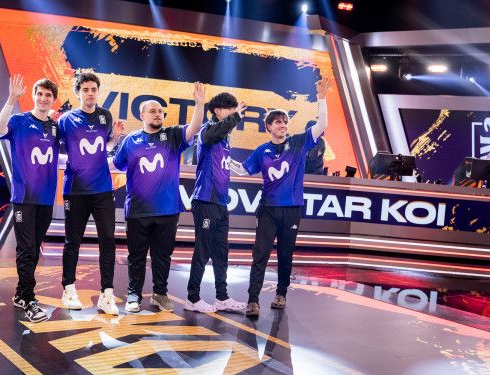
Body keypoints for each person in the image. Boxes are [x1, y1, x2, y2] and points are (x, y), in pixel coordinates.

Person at [230, 78, 331, 317]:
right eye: (278, 122)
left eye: (285, 122)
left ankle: (281, 294)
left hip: (292, 209)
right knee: (260, 255)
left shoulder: (298, 143)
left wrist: (322, 98)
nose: (283, 125)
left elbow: (322, 124)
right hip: (268, 209)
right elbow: (243, 170)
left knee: (285, 255)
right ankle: (253, 300)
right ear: (269, 127)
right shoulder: (261, 151)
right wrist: (225, 158)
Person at [112, 82, 205, 313]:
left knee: (163, 255)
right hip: (138, 209)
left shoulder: (172, 135)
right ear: (142, 115)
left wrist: (199, 104)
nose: (158, 114)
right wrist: (112, 140)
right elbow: (117, 164)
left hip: (167, 209)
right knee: (136, 256)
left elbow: (194, 128)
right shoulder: (131, 140)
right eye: (152, 111)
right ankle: (133, 295)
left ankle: (160, 294)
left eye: (161, 111)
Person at [58, 72, 124, 314]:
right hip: (75, 190)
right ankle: (68, 289)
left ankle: (107, 294)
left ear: (98, 91)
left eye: (93, 89)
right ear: (78, 93)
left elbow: (103, 148)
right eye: (85, 89)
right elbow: (56, 148)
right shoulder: (66, 120)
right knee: (72, 241)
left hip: (103, 189)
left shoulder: (106, 116)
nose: (90, 93)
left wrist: (116, 138)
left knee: (108, 240)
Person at [0, 74, 60, 323]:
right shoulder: (19, 120)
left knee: (34, 248)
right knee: (26, 249)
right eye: (40, 94)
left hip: (46, 197)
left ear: (53, 99)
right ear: (33, 96)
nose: (43, 98)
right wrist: (12, 98)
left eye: (48, 95)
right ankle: (29, 299)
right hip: (24, 197)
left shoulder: (55, 127)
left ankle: (21, 295)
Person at [185, 92, 247, 313]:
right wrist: (236, 116)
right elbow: (214, 134)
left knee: (221, 251)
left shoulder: (225, 138)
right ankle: (192, 298)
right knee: (203, 250)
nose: (234, 113)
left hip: (220, 203)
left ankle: (222, 297)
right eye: (230, 109)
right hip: (205, 201)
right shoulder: (207, 131)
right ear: (218, 111)